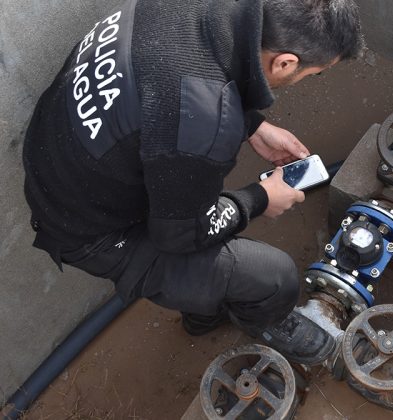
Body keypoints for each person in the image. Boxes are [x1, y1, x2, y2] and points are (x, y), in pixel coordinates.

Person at [22, 0, 363, 365]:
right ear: (285, 63)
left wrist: (251, 124)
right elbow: (180, 236)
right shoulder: (202, 120)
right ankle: (263, 322)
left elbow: (165, 73)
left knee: (200, 231)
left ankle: (202, 310)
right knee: (274, 278)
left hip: (57, 157)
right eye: (317, 73)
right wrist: (261, 197)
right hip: (90, 230)